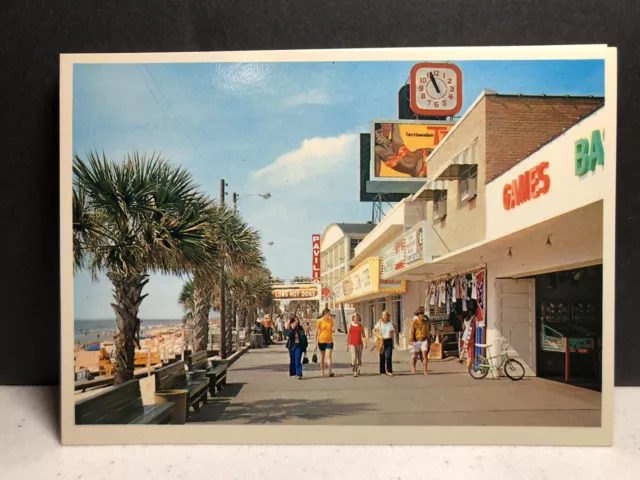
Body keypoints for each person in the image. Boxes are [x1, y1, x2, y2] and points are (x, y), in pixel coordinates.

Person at [410, 308, 431, 375]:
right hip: (417, 340)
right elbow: (412, 332)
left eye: (423, 314)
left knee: (425, 356)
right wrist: (411, 340)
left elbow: (428, 330)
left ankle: (425, 371)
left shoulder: (425, 322)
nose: (422, 315)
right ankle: (413, 367)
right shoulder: (414, 322)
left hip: (424, 340)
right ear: (418, 315)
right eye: (421, 314)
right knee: (415, 355)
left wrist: (429, 339)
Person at [373, 311, 395, 376]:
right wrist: (378, 336)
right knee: (382, 356)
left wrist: (393, 343)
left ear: (388, 316)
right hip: (381, 341)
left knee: (389, 356)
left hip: (388, 340)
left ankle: (389, 370)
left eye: (385, 315)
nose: (384, 316)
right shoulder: (379, 323)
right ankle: (382, 371)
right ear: (382, 316)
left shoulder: (390, 324)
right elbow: (373, 330)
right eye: (383, 315)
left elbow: (391, 334)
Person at [314, 308, 335, 377]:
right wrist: (315, 343)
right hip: (321, 340)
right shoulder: (319, 321)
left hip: (329, 340)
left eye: (329, 313)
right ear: (324, 313)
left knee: (329, 356)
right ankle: (322, 370)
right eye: (328, 313)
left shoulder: (331, 321)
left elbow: (332, 329)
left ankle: (330, 371)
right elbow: (317, 332)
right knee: (322, 356)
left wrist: (333, 329)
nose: (329, 315)